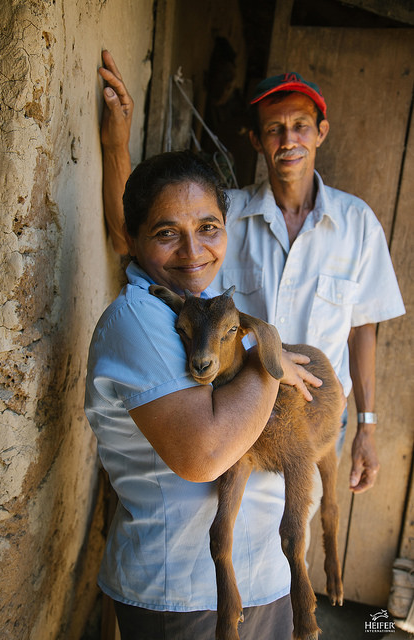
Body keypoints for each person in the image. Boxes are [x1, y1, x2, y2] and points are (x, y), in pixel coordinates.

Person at [98, 51, 405, 496]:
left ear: (321, 132)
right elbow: (133, 236)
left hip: (313, 423)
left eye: (300, 125)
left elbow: (363, 329)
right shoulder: (225, 218)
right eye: (274, 129)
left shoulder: (357, 224)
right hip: (234, 419)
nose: (289, 139)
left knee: (289, 547)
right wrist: (116, 147)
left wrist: (367, 427)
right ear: (256, 141)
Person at [85, 150, 324, 639]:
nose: (193, 252)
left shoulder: (198, 311)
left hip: (261, 580)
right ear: (131, 239)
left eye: (209, 228)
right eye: (166, 233)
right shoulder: (141, 320)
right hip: (183, 595)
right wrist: (267, 357)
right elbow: (205, 455)